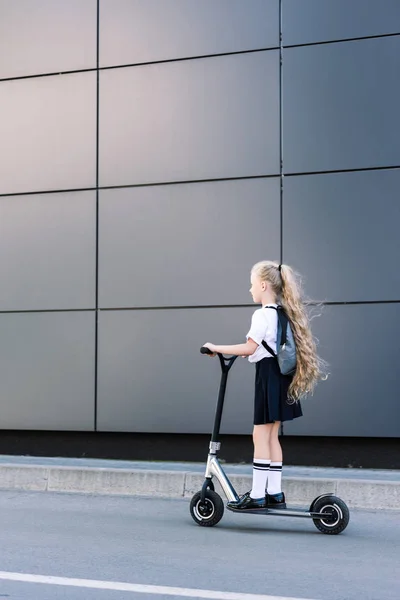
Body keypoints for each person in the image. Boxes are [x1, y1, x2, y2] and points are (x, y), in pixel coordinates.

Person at [202, 260, 326, 511]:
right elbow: (264, 347)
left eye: (251, 285)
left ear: (263, 285)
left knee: (259, 434)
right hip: (281, 376)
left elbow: (250, 347)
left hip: (268, 375)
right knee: (271, 436)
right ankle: (274, 493)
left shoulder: (261, 314)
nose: (250, 290)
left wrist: (216, 348)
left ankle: (258, 494)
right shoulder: (282, 313)